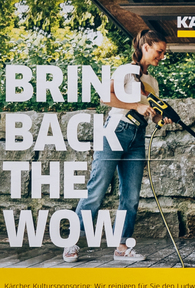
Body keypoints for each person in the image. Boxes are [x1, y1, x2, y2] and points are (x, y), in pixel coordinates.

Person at [64, 29, 167, 264]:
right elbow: (104, 96)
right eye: (159, 51)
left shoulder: (152, 81)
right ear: (146, 47)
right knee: (96, 191)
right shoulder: (126, 71)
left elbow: (152, 115)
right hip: (115, 132)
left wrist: (161, 118)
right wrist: (135, 106)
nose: (161, 56)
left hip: (137, 138)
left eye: (163, 53)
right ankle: (72, 242)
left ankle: (122, 246)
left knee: (130, 197)